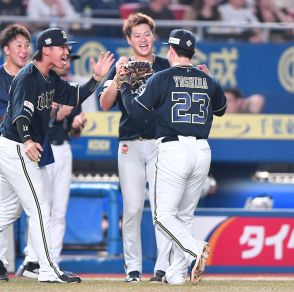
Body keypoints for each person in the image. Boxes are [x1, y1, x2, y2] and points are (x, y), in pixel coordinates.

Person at [0, 27, 114, 283]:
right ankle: (48, 270)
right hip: (16, 147)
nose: (67, 51)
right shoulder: (27, 77)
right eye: (62, 47)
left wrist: (96, 79)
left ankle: (44, 266)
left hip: (17, 146)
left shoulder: (48, 77)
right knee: (41, 207)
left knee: (8, 210)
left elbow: (74, 95)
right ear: (47, 49)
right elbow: (20, 114)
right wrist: (28, 139)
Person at [119, 28, 227, 284]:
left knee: (163, 215)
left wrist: (124, 85)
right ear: (192, 52)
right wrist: (210, 82)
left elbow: (135, 111)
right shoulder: (207, 79)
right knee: (185, 215)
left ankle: (193, 248)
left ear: (170, 50)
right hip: (202, 150)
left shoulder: (163, 77)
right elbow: (222, 109)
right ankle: (176, 274)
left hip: (173, 148)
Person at [99, 12, 171, 283]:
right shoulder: (121, 67)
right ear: (128, 40)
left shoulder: (165, 65)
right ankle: (133, 269)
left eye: (147, 34)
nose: (143, 39)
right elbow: (105, 103)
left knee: (160, 208)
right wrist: (118, 77)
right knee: (131, 209)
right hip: (129, 144)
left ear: (154, 36)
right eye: (137, 35)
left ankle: (162, 268)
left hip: (160, 144)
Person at [16, 48, 87, 278]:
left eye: (70, 60)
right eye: (65, 58)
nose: (67, 63)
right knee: (39, 206)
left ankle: (51, 260)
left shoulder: (70, 89)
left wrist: (76, 124)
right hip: (40, 148)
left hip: (62, 148)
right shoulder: (42, 81)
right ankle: (32, 259)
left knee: (58, 211)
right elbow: (38, 119)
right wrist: (57, 114)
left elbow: (74, 132)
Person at [0, 23, 32, 282]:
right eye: (18, 46)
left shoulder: (32, 78)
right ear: (6, 50)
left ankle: (33, 260)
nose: (23, 50)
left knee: (19, 206)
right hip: (3, 145)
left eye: (26, 46)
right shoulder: (0, 77)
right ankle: (0, 262)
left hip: (24, 150)